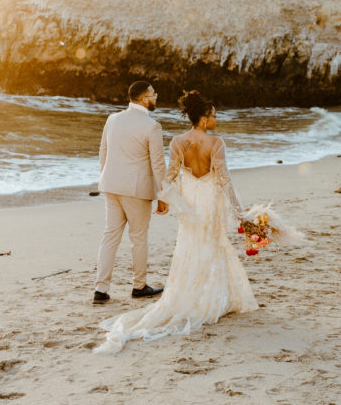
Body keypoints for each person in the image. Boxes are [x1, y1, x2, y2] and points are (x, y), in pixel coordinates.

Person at [94, 90, 258, 353]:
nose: (216, 120)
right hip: (209, 201)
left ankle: (182, 295)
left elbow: (169, 176)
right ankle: (207, 297)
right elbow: (224, 180)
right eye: (214, 115)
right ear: (204, 119)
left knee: (189, 246)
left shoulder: (178, 141)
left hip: (189, 202)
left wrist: (167, 199)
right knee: (211, 244)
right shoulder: (216, 143)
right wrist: (240, 212)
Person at [93, 81, 170, 305]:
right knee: (138, 239)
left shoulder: (113, 119)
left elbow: (103, 151)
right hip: (136, 191)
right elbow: (158, 164)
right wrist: (163, 195)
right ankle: (139, 286)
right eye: (154, 94)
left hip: (110, 185)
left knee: (109, 237)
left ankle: (101, 289)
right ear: (145, 99)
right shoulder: (152, 126)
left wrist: (106, 177)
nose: (156, 97)